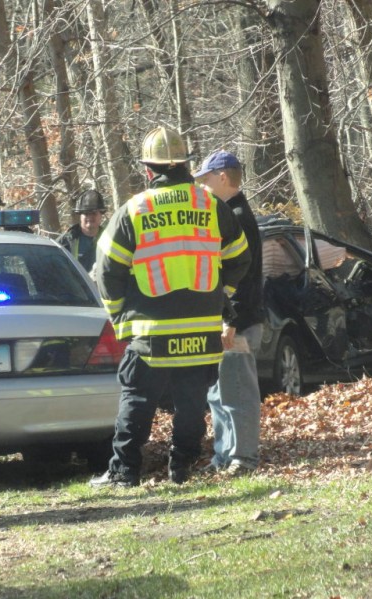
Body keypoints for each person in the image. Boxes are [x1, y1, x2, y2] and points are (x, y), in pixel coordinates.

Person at [91, 126, 251, 487]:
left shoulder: (134, 210)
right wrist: (218, 293)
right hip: (200, 328)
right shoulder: (211, 205)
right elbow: (240, 258)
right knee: (192, 402)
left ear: (149, 169)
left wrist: (119, 317)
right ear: (185, 165)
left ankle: (124, 472)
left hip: (150, 332)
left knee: (138, 399)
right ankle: (181, 469)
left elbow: (107, 269)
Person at [194, 150, 264, 476]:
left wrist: (229, 321)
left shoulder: (237, 217)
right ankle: (223, 457)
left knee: (237, 393)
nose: (203, 188)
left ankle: (244, 459)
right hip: (227, 320)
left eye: (205, 181)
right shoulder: (228, 214)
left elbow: (243, 278)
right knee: (219, 394)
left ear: (223, 178)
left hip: (238, 322)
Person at [57, 190, 108, 273]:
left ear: (101, 215)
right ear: (80, 215)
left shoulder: (110, 239)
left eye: (94, 213)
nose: (90, 217)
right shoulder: (66, 241)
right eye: (86, 213)